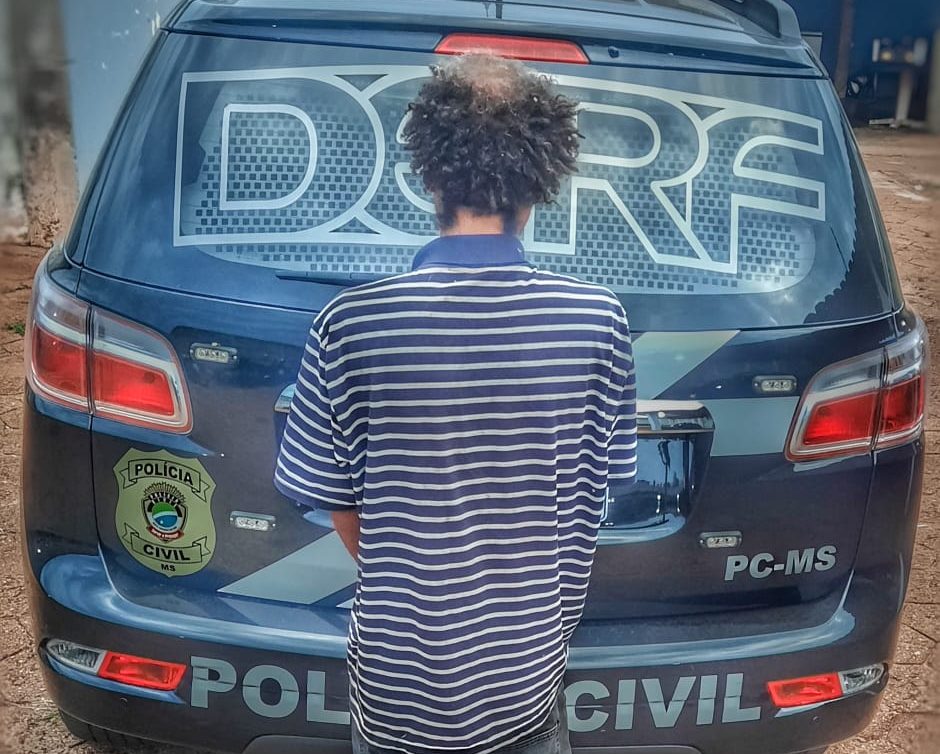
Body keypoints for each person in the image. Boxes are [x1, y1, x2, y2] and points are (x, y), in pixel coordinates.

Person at [274, 54, 637, 754]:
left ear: (431, 176)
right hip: (527, 675)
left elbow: (341, 508)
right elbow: (591, 496)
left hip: (396, 679)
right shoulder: (598, 323)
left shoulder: (351, 324)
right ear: (537, 184)